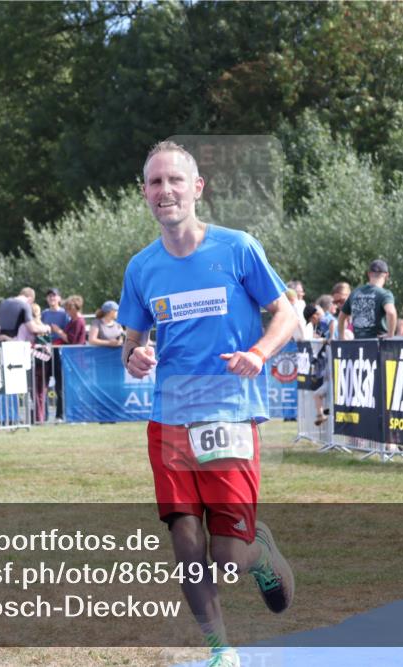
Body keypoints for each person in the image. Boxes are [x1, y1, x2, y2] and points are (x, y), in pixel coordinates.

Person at [119, 141, 296, 667]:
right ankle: (220, 650)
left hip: (231, 413)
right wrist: (135, 356)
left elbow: (285, 312)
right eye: (154, 182)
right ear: (145, 193)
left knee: (226, 559)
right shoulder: (142, 267)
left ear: (197, 188)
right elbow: (132, 338)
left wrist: (259, 353)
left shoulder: (238, 247)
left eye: (175, 181)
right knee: (184, 535)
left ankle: (257, 550)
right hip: (169, 418)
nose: (164, 191)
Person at [338, 259, 397, 339]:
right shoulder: (385, 294)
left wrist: (342, 337)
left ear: (369, 274)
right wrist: (390, 335)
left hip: (358, 345)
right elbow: (391, 312)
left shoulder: (355, 293)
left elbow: (341, 316)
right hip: (378, 344)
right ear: (386, 275)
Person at [41, 288, 69, 421]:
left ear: (59, 298)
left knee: (60, 385)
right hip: (45, 350)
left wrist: (57, 331)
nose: (52, 298)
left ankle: (59, 415)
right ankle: (43, 415)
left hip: (59, 351)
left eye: (54, 296)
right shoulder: (44, 314)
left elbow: (68, 336)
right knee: (43, 384)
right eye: (49, 296)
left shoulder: (64, 314)